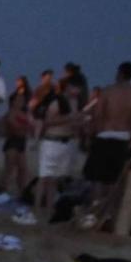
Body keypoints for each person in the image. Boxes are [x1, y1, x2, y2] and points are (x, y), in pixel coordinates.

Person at [83, 62, 131, 228]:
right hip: (123, 138)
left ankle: (94, 213)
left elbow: (97, 116)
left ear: (119, 72)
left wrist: (91, 136)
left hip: (105, 135)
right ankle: (109, 213)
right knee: (113, 179)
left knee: (97, 178)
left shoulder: (108, 91)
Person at [33, 78, 85, 215]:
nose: (78, 91)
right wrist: (70, 118)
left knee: (55, 178)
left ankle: (50, 206)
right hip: (52, 141)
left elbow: (73, 124)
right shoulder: (58, 101)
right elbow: (48, 121)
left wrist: (80, 122)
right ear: (68, 87)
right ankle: (37, 206)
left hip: (66, 141)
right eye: (75, 87)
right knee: (44, 176)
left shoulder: (75, 103)